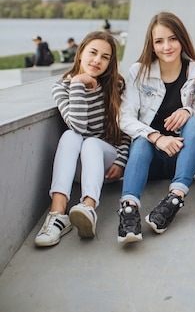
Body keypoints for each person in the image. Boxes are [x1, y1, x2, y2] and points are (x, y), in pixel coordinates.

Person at [117, 12, 195, 244]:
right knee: (141, 139)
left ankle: (174, 199)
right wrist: (157, 137)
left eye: (173, 39)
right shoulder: (139, 72)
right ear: (152, 45)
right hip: (148, 160)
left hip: (184, 157)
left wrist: (187, 110)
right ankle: (129, 211)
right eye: (159, 41)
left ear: (182, 40)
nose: (167, 46)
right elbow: (125, 118)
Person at [35, 31, 130, 247]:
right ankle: (58, 213)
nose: (97, 60)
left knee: (91, 142)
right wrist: (77, 83)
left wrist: (121, 160)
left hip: (107, 163)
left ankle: (88, 207)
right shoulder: (62, 87)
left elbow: (125, 131)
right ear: (80, 53)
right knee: (70, 135)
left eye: (105, 57)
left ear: (110, 62)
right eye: (93, 53)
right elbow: (77, 126)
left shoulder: (117, 87)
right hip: (79, 170)